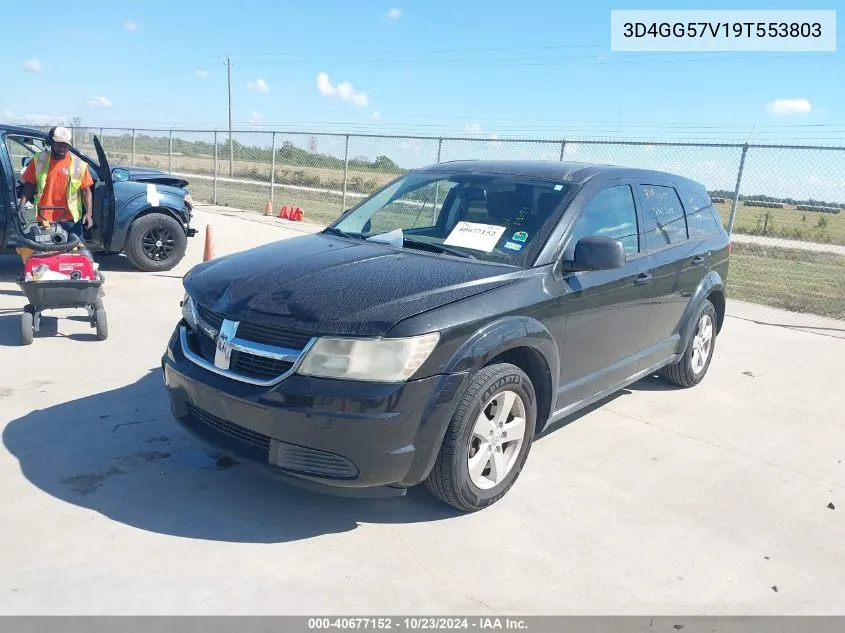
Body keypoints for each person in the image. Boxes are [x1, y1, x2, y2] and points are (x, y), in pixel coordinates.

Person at [19, 126, 95, 241]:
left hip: (70, 219)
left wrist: (88, 213)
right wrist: (21, 205)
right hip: (45, 217)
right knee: (48, 253)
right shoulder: (39, 159)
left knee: (76, 252)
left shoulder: (79, 164)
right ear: (51, 143)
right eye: (58, 144)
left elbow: (86, 191)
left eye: (65, 145)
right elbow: (29, 184)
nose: (62, 148)